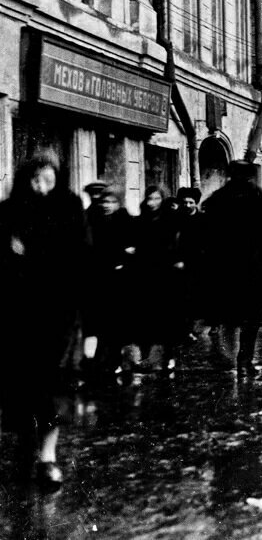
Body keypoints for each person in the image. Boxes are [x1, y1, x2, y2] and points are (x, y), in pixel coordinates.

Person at [0, 154, 87, 491]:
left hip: (57, 317)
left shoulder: (68, 209)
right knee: (20, 389)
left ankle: (48, 458)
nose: (41, 185)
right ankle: (26, 450)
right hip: (17, 317)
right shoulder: (9, 213)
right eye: (36, 178)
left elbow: (81, 258)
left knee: (51, 390)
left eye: (48, 178)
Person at [201, 160, 262, 377]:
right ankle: (244, 359)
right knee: (252, 318)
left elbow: (205, 236)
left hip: (225, 269)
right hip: (255, 270)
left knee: (227, 316)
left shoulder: (217, 201)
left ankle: (227, 356)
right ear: (251, 177)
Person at [82, 185, 134, 379]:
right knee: (96, 323)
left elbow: (132, 250)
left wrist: (123, 259)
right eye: (104, 201)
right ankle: (95, 362)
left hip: (119, 282)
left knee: (115, 324)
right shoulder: (92, 220)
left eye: (112, 201)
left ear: (119, 203)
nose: (107, 205)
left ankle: (114, 361)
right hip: (96, 280)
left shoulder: (125, 220)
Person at [131, 185, 181, 371]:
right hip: (145, 273)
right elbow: (135, 241)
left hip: (165, 273)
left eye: (156, 199)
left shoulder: (170, 219)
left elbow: (176, 243)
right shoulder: (141, 218)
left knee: (166, 317)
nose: (152, 202)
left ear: (162, 200)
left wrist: (176, 260)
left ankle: (169, 356)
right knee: (145, 317)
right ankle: (145, 356)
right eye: (150, 198)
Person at [175, 186, 205, 341]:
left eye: (191, 202)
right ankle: (186, 330)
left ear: (196, 203)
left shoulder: (203, 219)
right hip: (180, 265)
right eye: (184, 202)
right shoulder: (176, 219)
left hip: (199, 264)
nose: (187, 206)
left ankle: (193, 327)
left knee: (197, 297)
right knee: (183, 298)